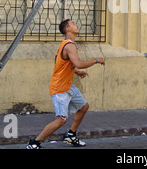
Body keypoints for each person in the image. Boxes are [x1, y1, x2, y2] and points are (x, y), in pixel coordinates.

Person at [26, 19, 105, 149]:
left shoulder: (66, 45)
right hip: (60, 88)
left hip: (67, 86)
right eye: (73, 23)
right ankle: (34, 143)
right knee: (61, 120)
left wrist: (76, 72)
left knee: (84, 107)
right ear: (67, 29)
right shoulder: (69, 46)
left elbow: (62, 64)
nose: (76, 25)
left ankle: (71, 135)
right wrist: (96, 60)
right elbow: (78, 62)